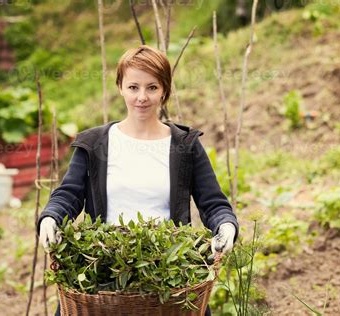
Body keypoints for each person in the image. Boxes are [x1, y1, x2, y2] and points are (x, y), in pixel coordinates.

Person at [37, 45, 239, 316]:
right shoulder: (95, 144)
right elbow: (69, 195)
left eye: (152, 88)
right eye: (133, 87)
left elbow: (213, 203)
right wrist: (51, 217)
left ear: (164, 90)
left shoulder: (185, 146)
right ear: (120, 87)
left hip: (167, 275)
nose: (142, 97)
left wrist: (226, 226)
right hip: (104, 275)